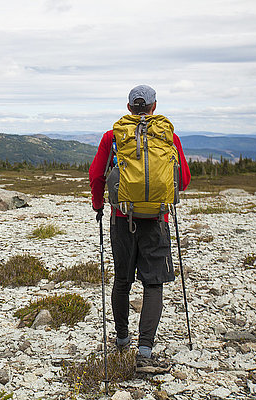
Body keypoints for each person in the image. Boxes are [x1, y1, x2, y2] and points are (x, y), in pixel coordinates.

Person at [88, 85, 191, 363]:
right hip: (158, 219)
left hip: (123, 218)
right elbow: (183, 179)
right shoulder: (169, 136)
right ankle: (145, 349)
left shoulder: (113, 137)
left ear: (129, 107)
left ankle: (122, 339)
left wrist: (99, 204)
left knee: (122, 280)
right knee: (153, 283)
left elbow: (96, 175)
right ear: (154, 107)